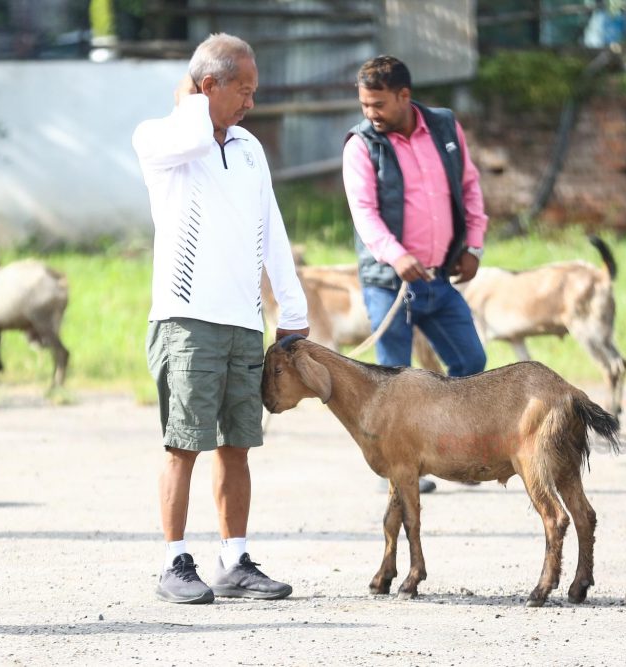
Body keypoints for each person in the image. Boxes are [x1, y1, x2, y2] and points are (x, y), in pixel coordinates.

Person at [132, 33, 309, 605]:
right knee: (183, 444)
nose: (251, 102)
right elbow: (190, 133)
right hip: (186, 322)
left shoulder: (250, 148)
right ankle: (174, 561)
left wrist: (292, 308)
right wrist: (193, 97)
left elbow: (272, 228)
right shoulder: (160, 138)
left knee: (238, 444)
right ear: (209, 85)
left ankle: (234, 560)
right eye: (244, 90)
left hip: (243, 322)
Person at [341, 55, 489, 494]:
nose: (370, 113)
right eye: (365, 104)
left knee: (471, 363)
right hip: (390, 283)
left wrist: (473, 245)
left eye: (378, 104)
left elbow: (470, 187)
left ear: (405, 96)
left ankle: (459, 455)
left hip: (439, 278)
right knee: (395, 378)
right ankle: (404, 467)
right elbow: (364, 214)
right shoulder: (361, 145)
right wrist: (394, 254)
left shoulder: (444, 126)